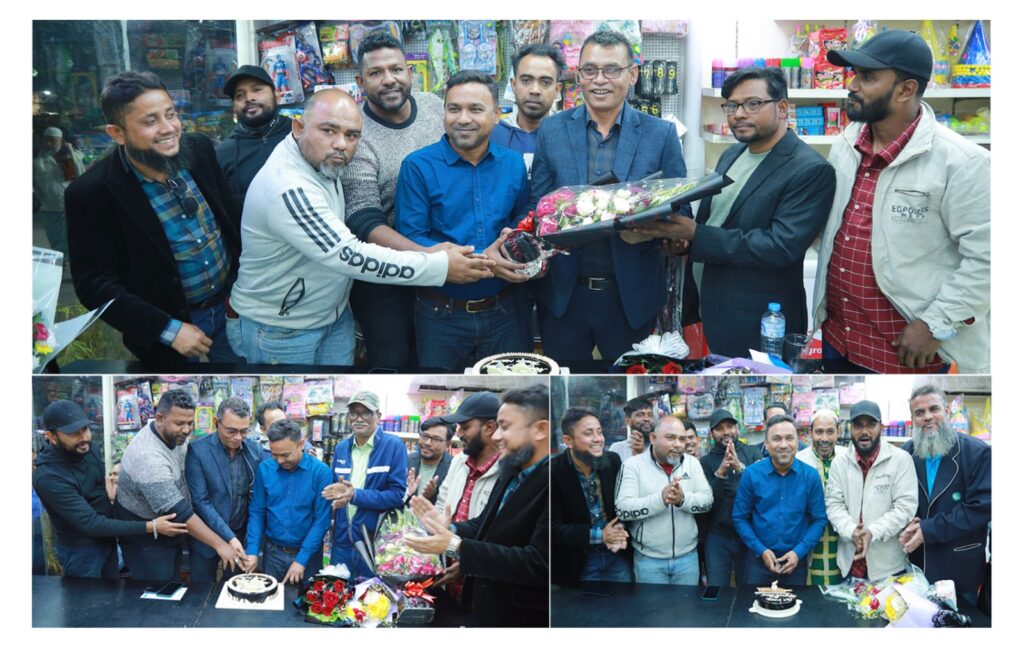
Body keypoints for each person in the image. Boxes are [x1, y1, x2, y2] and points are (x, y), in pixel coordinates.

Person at [227, 88, 494, 365]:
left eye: (352, 135)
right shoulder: (289, 187)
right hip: (279, 329)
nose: (341, 144)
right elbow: (349, 255)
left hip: (330, 317)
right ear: (298, 128)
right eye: (328, 131)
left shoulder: (317, 159)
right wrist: (439, 266)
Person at [812, 30, 990, 374]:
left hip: (911, 353)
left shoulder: (962, 163)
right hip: (839, 339)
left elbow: (989, 260)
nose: (852, 85)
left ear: (906, 89)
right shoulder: (846, 145)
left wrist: (935, 323)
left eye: (867, 77)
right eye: (854, 74)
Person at [634, 66, 835, 358]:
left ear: (782, 108)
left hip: (760, 323)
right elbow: (718, 220)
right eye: (731, 106)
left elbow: (780, 246)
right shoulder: (733, 154)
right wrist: (685, 242)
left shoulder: (810, 169)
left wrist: (696, 234)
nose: (739, 114)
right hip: (714, 308)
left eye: (753, 104)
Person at [529, 30, 688, 363]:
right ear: (578, 76)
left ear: (632, 74)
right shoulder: (552, 130)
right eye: (590, 70)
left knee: (631, 377)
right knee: (565, 377)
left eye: (612, 69)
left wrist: (651, 230)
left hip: (631, 297)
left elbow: (681, 213)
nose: (600, 80)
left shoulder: (661, 135)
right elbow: (537, 206)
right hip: (564, 295)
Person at [66, 71, 243, 366]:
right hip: (173, 332)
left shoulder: (198, 149)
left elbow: (229, 218)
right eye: (150, 121)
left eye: (170, 114)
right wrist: (167, 330)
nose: (169, 128)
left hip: (232, 308)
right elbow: (94, 285)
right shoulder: (92, 192)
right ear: (117, 133)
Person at [395, 71, 531, 371]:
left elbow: (521, 220)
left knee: (511, 386)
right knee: (441, 388)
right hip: (440, 314)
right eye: (454, 109)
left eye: (476, 109)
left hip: (504, 311)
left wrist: (515, 247)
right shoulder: (417, 166)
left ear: (497, 114)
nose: (463, 118)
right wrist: (473, 260)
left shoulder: (512, 164)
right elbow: (411, 236)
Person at [342, 33, 448, 368]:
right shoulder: (355, 132)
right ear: (360, 82)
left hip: (440, 259)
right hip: (384, 274)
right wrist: (428, 257)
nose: (388, 80)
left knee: (436, 360)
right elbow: (363, 219)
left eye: (396, 69)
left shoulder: (433, 106)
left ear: (410, 73)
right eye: (376, 73)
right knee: (393, 361)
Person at [406, 385, 550, 627]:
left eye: (505, 427)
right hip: (485, 606)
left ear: (540, 430)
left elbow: (539, 563)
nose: (497, 436)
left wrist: (456, 546)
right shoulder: (513, 473)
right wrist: (450, 528)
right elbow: (486, 525)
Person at [32, 400, 187, 578]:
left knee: (112, 594)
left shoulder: (90, 449)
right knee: (87, 596)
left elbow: (97, 490)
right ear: (52, 437)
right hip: (81, 552)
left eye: (85, 429)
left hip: (108, 540)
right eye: (73, 433)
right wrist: (152, 526)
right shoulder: (48, 477)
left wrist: (111, 497)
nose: (84, 437)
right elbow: (91, 524)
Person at [114, 389, 242, 581]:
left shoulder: (174, 435)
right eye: (180, 423)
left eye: (190, 423)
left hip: (170, 533)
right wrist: (221, 545)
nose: (186, 429)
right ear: (160, 418)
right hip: (148, 542)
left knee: (173, 587)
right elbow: (179, 512)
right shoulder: (148, 457)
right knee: (157, 592)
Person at [494, 43, 565, 352]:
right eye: (526, 80)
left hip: (560, 265)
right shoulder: (492, 135)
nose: (535, 90)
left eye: (545, 81)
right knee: (515, 346)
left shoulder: (570, 137)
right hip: (504, 260)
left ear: (558, 89)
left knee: (559, 346)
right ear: (513, 84)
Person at [900, 385, 991, 604]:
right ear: (912, 419)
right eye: (919, 412)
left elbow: (981, 508)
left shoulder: (976, 452)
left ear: (947, 411)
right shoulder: (905, 453)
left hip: (959, 570)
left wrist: (928, 529)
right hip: (917, 569)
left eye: (934, 409)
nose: (927, 417)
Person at [825, 400, 917, 581]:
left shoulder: (900, 460)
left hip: (888, 567)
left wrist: (873, 532)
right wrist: (851, 531)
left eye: (871, 425)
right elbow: (834, 504)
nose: (864, 431)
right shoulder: (839, 463)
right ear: (850, 428)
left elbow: (905, 507)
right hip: (850, 564)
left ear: (881, 427)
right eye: (858, 425)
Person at [616, 416, 712, 585]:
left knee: (686, 603)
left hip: (688, 558)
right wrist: (660, 499)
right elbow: (623, 509)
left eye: (682, 439)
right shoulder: (632, 466)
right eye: (670, 438)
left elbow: (707, 501)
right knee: (652, 604)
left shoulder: (692, 464)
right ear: (653, 438)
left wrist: (683, 500)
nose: (678, 444)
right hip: (648, 560)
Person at [733, 414, 827, 586]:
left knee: (796, 604)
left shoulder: (810, 476)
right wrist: (761, 550)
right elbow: (740, 518)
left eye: (789, 438)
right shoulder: (751, 475)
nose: (783, 445)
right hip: (757, 562)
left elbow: (819, 520)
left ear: (797, 442)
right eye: (776, 439)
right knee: (752, 603)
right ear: (766, 444)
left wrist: (798, 552)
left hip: (795, 563)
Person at [322, 390, 406, 578]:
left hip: (373, 542)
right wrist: (337, 499)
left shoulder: (393, 446)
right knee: (337, 591)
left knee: (372, 594)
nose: (359, 419)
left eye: (366, 413)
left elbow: (397, 495)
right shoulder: (341, 448)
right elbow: (339, 490)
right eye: (354, 413)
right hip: (342, 542)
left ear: (378, 416)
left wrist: (355, 495)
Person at [240, 419, 333, 584]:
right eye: (274, 454)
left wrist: (301, 560)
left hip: (309, 555)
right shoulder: (265, 469)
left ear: (301, 444)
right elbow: (257, 512)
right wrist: (252, 551)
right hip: (273, 555)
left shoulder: (321, 472)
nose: (280, 461)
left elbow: (322, 520)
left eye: (285, 455)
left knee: (308, 599)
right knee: (272, 597)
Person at [184, 396, 265, 583]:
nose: (238, 437)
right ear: (216, 422)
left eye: (244, 431)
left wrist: (247, 542)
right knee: (200, 590)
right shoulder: (198, 451)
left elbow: (255, 500)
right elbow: (200, 501)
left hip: (240, 537)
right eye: (231, 431)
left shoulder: (254, 451)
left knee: (235, 589)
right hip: (206, 538)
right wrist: (228, 538)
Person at [552, 407, 631, 586]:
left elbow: (622, 503)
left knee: (625, 602)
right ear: (568, 440)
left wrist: (619, 528)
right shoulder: (553, 472)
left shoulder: (612, 461)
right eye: (589, 433)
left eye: (599, 432)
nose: (598, 439)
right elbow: (553, 528)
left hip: (617, 554)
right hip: (578, 562)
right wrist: (601, 535)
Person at [698, 409, 763, 586]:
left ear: (737, 428)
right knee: (716, 588)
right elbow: (707, 504)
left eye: (730, 426)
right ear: (712, 434)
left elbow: (762, 492)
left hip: (749, 535)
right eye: (719, 428)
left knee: (747, 589)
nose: (726, 432)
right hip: (718, 536)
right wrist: (720, 472)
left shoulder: (753, 453)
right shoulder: (705, 462)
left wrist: (740, 468)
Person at [216, 65, 293, 208]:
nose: (248, 98)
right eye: (239, 95)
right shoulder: (223, 154)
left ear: (277, 96)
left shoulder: (300, 134)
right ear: (234, 108)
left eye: (257, 89)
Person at [795, 409, 848, 585]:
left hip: (842, 538)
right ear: (810, 432)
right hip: (809, 538)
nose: (824, 438)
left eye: (830, 431)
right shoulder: (798, 461)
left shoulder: (849, 458)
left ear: (838, 432)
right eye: (819, 432)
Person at [434, 392, 503, 521]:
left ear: (489, 427)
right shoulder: (458, 461)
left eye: (465, 427)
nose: (459, 434)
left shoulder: (505, 472)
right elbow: (442, 503)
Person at [33, 126, 85, 256]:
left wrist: (70, 153)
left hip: (70, 206)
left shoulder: (71, 156)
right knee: (55, 241)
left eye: (53, 140)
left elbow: (80, 175)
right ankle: (62, 263)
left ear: (61, 141)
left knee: (75, 238)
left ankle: (72, 261)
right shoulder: (36, 158)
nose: (49, 143)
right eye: (46, 140)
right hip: (49, 209)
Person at [406, 416, 452, 504]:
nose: (427, 443)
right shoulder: (406, 460)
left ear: (448, 444)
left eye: (436, 439)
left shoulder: (453, 467)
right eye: (425, 436)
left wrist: (431, 496)